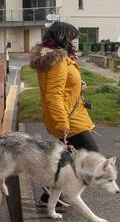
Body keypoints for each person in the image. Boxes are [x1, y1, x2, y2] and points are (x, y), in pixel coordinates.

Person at [30, 21, 98, 152]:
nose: (76, 42)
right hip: (70, 120)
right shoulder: (58, 62)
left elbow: (62, 84)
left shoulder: (59, 59)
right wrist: (62, 122)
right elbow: (54, 94)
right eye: (74, 38)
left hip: (72, 116)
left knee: (79, 161)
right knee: (94, 160)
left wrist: (78, 85)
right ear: (64, 39)